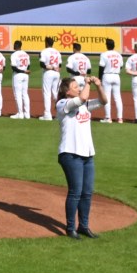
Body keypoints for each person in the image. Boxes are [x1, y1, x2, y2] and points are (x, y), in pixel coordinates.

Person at [56, 77, 98, 237]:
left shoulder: (84, 105)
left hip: (87, 154)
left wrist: (99, 86)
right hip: (70, 153)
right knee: (75, 192)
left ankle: (84, 226)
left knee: (87, 192)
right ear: (67, 92)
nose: (79, 88)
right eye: (75, 87)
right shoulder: (62, 104)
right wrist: (87, 83)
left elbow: (104, 101)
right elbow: (83, 98)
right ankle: (70, 227)